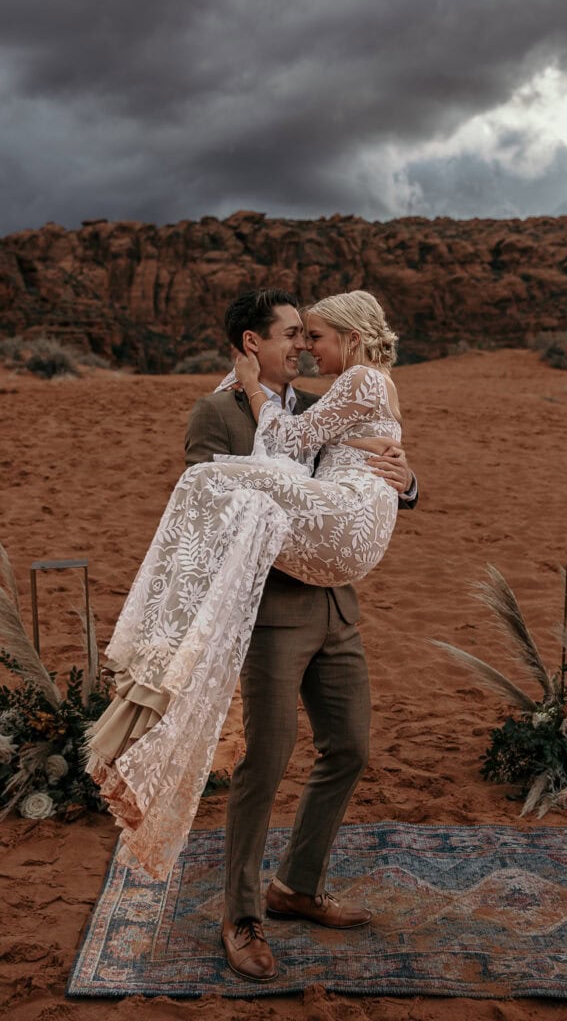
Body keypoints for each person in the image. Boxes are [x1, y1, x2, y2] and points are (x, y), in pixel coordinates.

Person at [87, 288, 417, 984]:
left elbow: (363, 472)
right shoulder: (217, 412)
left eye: (310, 336)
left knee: (350, 748)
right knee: (265, 761)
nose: (302, 347)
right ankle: (240, 915)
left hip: (337, 606)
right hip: (270, 616)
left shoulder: (319, 402)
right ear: (250, 345)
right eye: (291, 335)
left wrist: (407, 481)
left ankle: (295, 886)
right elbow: (214, 506)